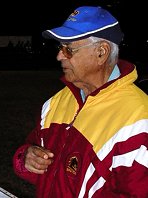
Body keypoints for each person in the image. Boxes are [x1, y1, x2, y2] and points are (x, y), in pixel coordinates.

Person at [13, 6, 148, 197]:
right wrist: (26, 157)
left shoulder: (139, 119)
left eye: (68, 50)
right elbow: (34, 157)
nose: (59, 56)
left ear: (101, 52)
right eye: (60, 48)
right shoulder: (55, 103)